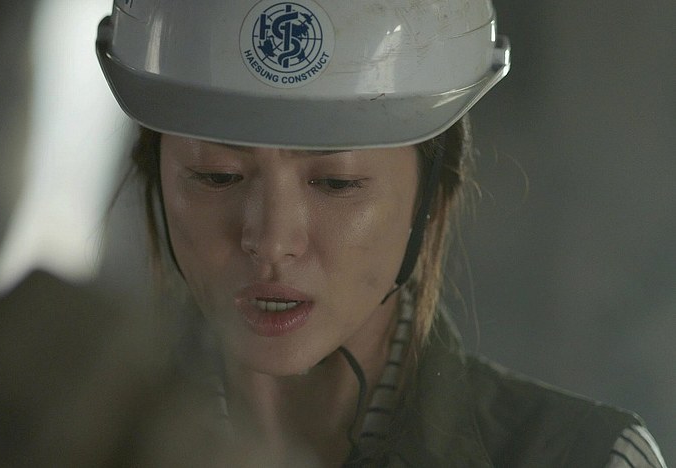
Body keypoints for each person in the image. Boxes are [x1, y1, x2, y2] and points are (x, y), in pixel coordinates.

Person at [96, 1, 668, 466]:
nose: (270, 242)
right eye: (217, 176)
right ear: (156, 175)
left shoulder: (588, 459)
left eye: (336, 183)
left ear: (432, 194)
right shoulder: (60, 436)